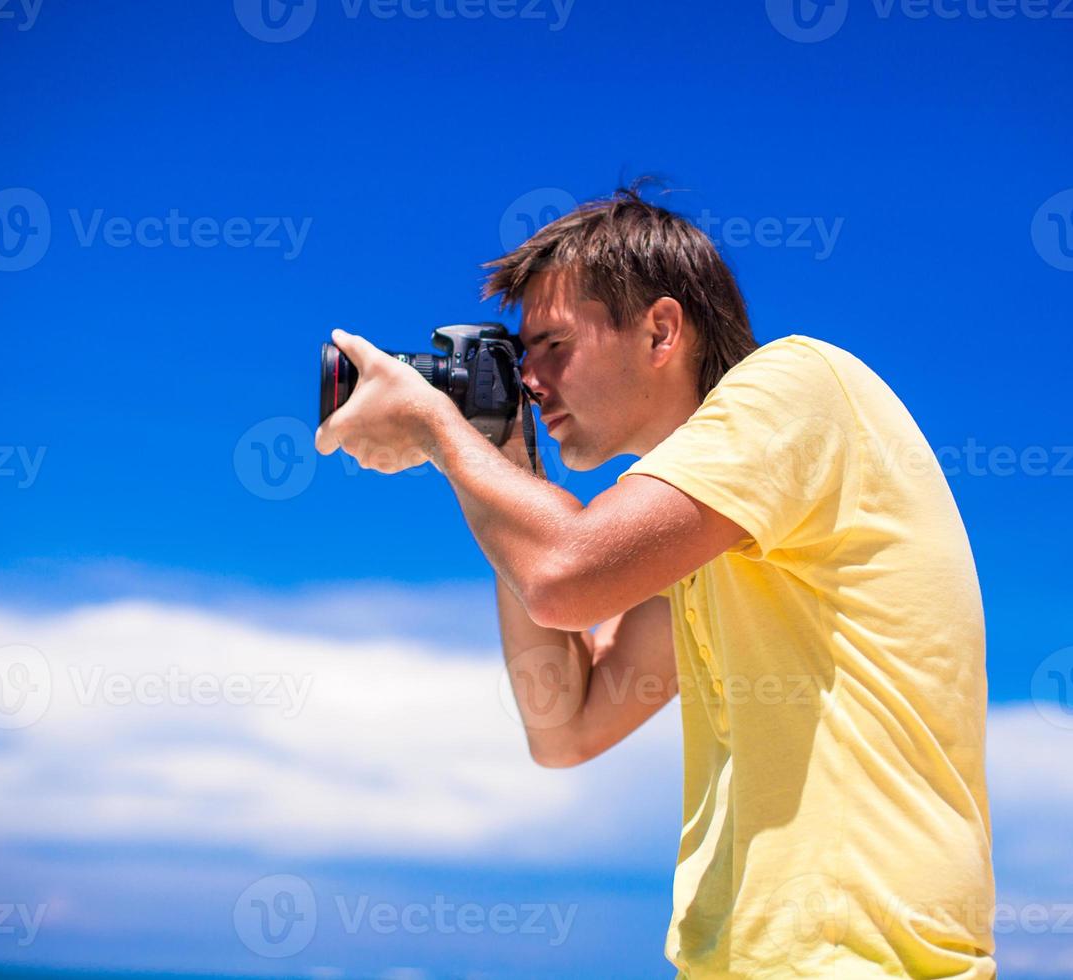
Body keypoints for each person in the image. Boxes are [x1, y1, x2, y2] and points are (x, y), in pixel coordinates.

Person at [314, 183, 996, 978]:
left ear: (661, 330)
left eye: (553, 346)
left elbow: (564, 575)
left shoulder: (797, 385)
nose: (530, 379)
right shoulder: (707, 547)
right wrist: (505, 466)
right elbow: (563, 726)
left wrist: (436, 431)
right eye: (520, 356)